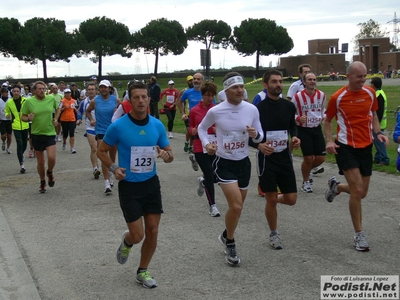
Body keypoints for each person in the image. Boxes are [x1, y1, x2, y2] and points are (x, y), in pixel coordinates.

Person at [97, 81, 173, 289]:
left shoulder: (157, 125)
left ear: (149, 99)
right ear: (129, 101)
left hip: (151, 184)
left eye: (144, 97)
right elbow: (101, 151)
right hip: (130, 187)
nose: (141, 100)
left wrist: (166, 156)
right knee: (138, 235)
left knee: (153, 230)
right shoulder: (118, 126)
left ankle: (143, 271)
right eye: (136, 97)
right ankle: (128, 241)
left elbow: (170, 155)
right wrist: (114, 168)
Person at [198, 72, 263, 266]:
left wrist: (255, 134)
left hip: (243, 162)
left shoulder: (251, 109)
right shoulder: (216, 111)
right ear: (227, 90)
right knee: (235, 206)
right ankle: (231, 243)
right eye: (235, 87)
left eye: (242, 86)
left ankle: (226, 235)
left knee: (239, 207)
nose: (240, 90)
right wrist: (207, 144)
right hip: (224, 162)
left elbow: (260, 136)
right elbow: (202, 128)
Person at [323, 61, 389, 252]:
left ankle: (337, 187)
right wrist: (329, 140)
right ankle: (359, 234)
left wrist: (378, 133)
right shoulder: (338, 97)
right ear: (348, 76)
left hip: (366, 147)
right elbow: (327, 121)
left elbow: (374, 115)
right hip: (346, 147)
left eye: (365, 76)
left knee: (362, 192)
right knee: (358, 191)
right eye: (359, 76)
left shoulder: (370, 93)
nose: (363, 79)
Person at [250, 70, 300, 250]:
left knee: (292, 199)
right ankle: (274, 233)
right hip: (267, 159)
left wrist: (295, 138)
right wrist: (259, 145)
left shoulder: (288, 106)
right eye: (274, 82)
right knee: (271, 198)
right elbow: (248, 135)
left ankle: (272, 201)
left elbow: (292, 126)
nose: (278, 84)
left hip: (284, 157)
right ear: (265, 85)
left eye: (280, 81)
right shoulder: (257, 110)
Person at [21, 81, 61, 193]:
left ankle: (50, 172)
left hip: (49, 133)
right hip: (37, 134)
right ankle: (42, 181)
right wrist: (28, 118)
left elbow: (58, 109)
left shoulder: (51, 99)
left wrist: (56, 119)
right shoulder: (29, 102)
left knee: (52, 158)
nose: (42, 90)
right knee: (41, 162)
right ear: (34, 90)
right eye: (39, 89)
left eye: (43, 88)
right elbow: (22, 117)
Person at [189, 81, 220, 217]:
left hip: (214, 145)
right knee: (208, 174)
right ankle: (212, 206)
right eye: (207, 95)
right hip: (200, 146)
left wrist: (216, 129)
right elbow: (190, 128)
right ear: (202, 95)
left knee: (216, 176)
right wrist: (193, 131)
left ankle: (203, 182)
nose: (209, 98)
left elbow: (222, 128)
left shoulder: (217, 110)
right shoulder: (195, 110)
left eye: (211, 95)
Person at [291, 72, 326, 193]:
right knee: (309, 157)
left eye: (314, 79)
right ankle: (306, 182)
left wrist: (324, 117)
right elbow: (290, 112)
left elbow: (322, 110)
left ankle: (307, 170)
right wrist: (298, 118)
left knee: (321, 158)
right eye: (309, 79)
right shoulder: (297, 97)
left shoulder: (321, 95)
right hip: (303, 129)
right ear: (304, 82)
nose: (312, 81)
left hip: (316, 128)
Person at [86, 79, 121, 194]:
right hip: (101, 131)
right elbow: (88, 111)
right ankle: (106, 183)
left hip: (113, 130)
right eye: (101, 87)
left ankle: (111, 174)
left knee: (112, 156)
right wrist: (91, 119)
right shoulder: (95, 101)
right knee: (103, 155)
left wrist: (119, 115)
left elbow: (124, 111)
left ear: (109, 88)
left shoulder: (115, 100)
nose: (103, 89)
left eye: (105, 87)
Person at [77, 83, 101, 179]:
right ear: (86, 91)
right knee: (94, 148)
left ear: (96, 91)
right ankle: (95, 168)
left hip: (102, 127)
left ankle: (105, 167)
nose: (91, 91)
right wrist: (79, 119)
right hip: (90, 127)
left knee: (101, 149)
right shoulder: (84, 102)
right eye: (89, 89)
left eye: (93, 89)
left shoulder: (101, 101)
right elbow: (80, 111)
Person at [4, 85, 29, 172]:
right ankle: (22, 164)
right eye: (14, 91)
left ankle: (21, 154)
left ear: (20, 92)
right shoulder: (9, 102)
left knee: (25, 144)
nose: (16, 93)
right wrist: (7, 114)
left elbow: (30, 110)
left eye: (17, 91)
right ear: (12, 92)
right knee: (19, 143)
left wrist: (30, 115)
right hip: (15, 125)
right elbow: (6, 110)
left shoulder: (25, 101)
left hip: (25, 124)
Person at [177, 73, 203, 153]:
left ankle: (193, 146)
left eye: (198, 79)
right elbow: (179, 102)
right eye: (194, 79)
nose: (195, 81)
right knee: (191, 132)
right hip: (190, 117)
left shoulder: (205, 92)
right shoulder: (187, 92)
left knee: (197, 134)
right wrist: (183, 113)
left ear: (202, 81)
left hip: (203, 118)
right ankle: (190, 145)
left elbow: (212, 105)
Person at [370, 77, 389, 166]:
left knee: (379, 141)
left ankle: (384, 159)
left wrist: (376, 124)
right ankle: (377, 158)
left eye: (371, 83)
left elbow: (379, 112)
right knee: (376, 141)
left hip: (379, 124)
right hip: (379, 123)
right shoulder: (378, 93)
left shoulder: (378, 95)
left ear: (373, 84)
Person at [59, 88, 78, 154]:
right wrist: (64, 108)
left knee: (72, 134)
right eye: (66, 93)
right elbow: (59, 110)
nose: (68, 94)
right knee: (65, 134)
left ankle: (72, 147)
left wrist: (76, 110)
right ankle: (64, 142)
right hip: (64, 119)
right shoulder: (62, 101)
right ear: (64, 94)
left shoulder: (74, 101)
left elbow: (75, 107)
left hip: (72, 119)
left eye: (69, 93)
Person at [0, 87, 12, 154]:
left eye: (7, 92)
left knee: (9, 136)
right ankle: (4, 142)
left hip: (9, 120)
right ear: (1, 93)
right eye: (4, 92)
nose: (6, 94)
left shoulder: (10, 100)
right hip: (2, 120)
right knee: (4, 135)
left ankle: (8, 148)